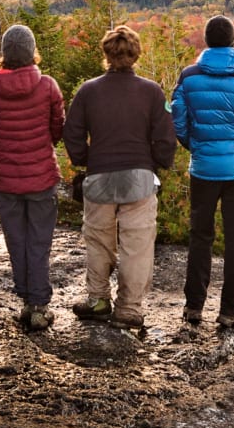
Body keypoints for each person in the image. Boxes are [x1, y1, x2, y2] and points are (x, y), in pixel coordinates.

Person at [63, 24, 175, 332]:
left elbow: (71, 132)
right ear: (136, 54)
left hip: (99, 177)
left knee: (98, 240)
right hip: (139, 178)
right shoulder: (152, 91)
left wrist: (85, 159)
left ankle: (98, 300)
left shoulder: (88, 90)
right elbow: (166, 138)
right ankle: (129, 307)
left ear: (106, 54)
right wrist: (157, 164)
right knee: (136, 244)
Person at [172, 14, 234, 329]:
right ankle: (229, 312)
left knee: (200, 237)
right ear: (232, 42)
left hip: (203, 169)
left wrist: (196, 146)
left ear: (206, 41)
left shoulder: (188, 77)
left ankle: (193, 308)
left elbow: (178, 118)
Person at [0, 23, 66, 331]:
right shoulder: (48, 86)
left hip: (7, 180)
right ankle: (40, 305)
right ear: (32, 52)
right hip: (42, 177)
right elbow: (58, 129)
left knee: (16, 241)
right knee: (39, 242)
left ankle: (27, 301)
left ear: (4, 54)